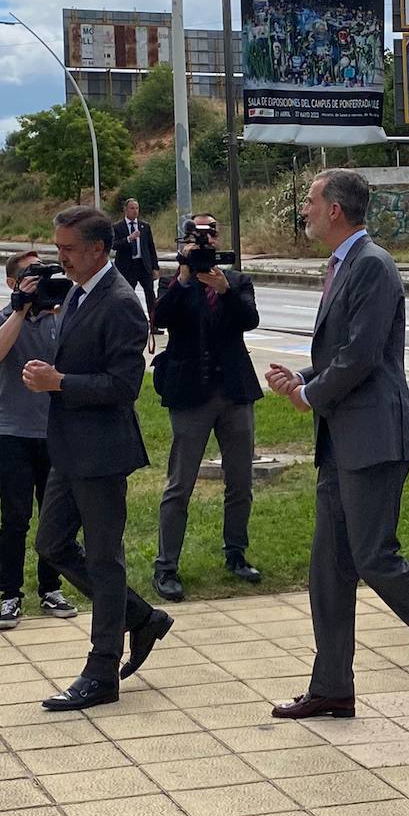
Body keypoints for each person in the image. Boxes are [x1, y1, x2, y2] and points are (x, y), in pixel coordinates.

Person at [264, 169, 409, 721]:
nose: (305, 210)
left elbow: (363, 356)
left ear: (337, 211)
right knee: (329, 567)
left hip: (371, 437)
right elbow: (339, 355)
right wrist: (301, 380)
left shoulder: (371, 265)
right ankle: (331, 686)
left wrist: (309, 395)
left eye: (311, 201)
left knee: (377, 558)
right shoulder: (345, 264)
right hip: (342, 436)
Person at [25, 206, 173, 710]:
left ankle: (102, 670)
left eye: (67, 249)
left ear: (97, 250)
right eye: (58, 248)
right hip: (69, 446)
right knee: (51, 544)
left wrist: (59, 381)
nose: (59, 258)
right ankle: (141, 616)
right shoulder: (78, 292)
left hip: (103, 452)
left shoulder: (121, 302)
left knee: (105, 560)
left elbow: (124, 385)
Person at [149, 213, 263, 603]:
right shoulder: (173, 282)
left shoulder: (237, 280)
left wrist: (226, 289)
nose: (207, 239)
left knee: (241, 481)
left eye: (212, 233)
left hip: (234, 390)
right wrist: (183, 278)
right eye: (197, 235)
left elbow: (250, 319)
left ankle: (236, 552)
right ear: (184, 242)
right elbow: (159, 318)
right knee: (180, 483)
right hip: (190, 392)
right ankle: (166, 566)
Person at [0, 250, 78, 631]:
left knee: (52, 519)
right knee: (15, 518)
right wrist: (20, 310)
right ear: (11, 283)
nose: (39, 281)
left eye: (44, 273)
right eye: (29, 275)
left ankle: (50, 588)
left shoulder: (61, 318)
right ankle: (9, 596)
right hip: (13, 433)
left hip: (55, 431)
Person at [112, 198, 160, 315]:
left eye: (137, 208)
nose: (135, 211)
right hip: (128, 266)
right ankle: (128, 320)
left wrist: (155, 267)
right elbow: (114, 245)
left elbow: (151, 247)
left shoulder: (144, 226)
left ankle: (154, 323)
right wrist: (129, 238)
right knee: (127, 295)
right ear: (125, 210)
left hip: (143, 264)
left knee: (150, 293)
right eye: (132, 208)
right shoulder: (118, 227)